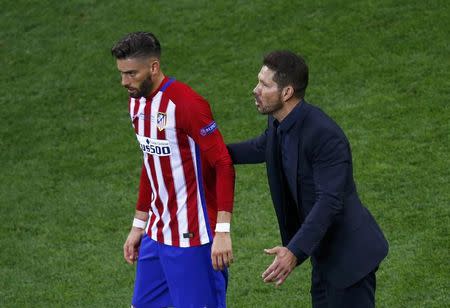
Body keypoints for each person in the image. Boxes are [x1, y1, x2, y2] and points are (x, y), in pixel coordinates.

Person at [227, 51, 388, 308]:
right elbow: (260, 148)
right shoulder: (278, 123)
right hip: (324, 257)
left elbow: (330, 201)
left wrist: (294, 251)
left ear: (287, 92)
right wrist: (204, 153)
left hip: (350, 260)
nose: (255, 89)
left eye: (265, 85)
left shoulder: (324, 136)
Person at [111, 32, 235, 308]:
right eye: (121, 73)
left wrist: (223, 230)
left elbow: (223, 163)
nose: (124, 82)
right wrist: (138, 225)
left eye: (131, 73)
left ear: (153, 67)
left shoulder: (187, 104)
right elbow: (151, 162)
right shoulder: (136, 102)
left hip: (193, 238)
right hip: (156, 234)